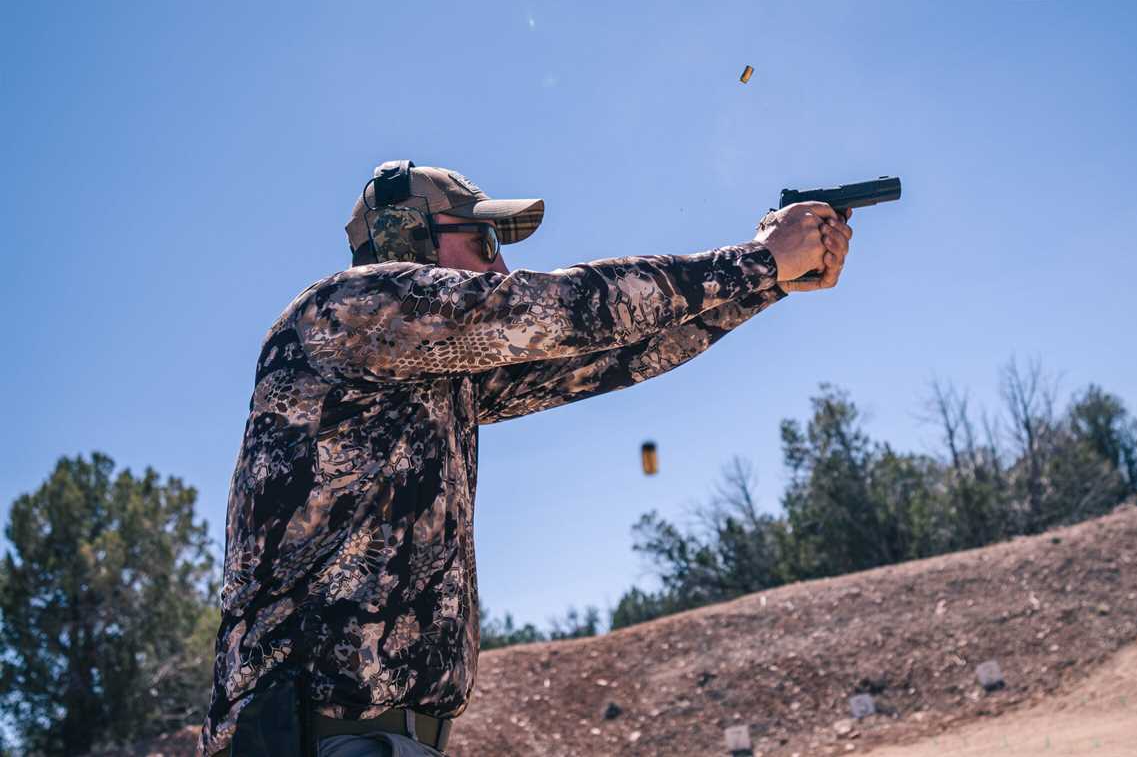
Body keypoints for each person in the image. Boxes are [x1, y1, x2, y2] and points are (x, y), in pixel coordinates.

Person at [197, 161, 852, 757]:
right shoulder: (346, 313)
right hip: (312, 741)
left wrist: (773, 280)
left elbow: (613, 354)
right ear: (404, 239)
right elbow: (567, 308)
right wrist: (760, 259)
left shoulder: (430, 372)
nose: (500, 268)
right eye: (483, 243)